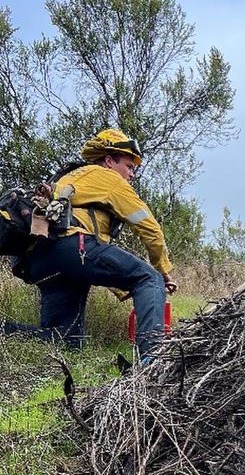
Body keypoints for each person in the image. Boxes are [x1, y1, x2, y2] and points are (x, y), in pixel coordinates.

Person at [3, 128, 177, 359]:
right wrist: (163, 271)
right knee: (148, 278)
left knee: (64, 339)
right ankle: (153, 360)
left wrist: (118, 285)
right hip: (71, 246)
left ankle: (4, 330)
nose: (132, 174)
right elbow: (149, 227)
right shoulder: (108, 178)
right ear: (109, 161)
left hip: (41, 260)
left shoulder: (69, 178)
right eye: (129, 166)